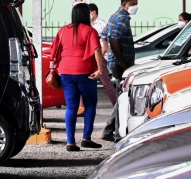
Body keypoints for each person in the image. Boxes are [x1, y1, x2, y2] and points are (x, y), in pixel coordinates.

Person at [50, 3, 104, 152]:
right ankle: (86, 139)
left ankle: (70, 142)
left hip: (65, 72)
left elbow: (54, 50)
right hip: (85, 72)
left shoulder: (62, 31)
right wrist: (100, 69)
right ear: (86, 15)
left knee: (71, 107)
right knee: (90, 104)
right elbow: (97, 50)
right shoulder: (90, 30)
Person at [100, 0, 138, 142]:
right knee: (122, 99)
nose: (135, 6)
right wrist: (120, 60)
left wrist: (106, 51)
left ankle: (109, 130)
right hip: (120, 64)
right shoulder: (122, 19)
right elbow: (113, 39)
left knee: (121, 98)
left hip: (116, 62)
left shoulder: (114, 16)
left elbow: (104, 34)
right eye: (133, 3)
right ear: (124, 4)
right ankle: (115, 133)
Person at [78, 3, 118, 117]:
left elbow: (106, 45)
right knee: (83, 81)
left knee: (107, 84)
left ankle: (117, 106)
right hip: (90, 58)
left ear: (93, 12)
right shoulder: (89, 25)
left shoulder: (101, 24)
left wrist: (99, 57)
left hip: (100, 58)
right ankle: (82, 108)